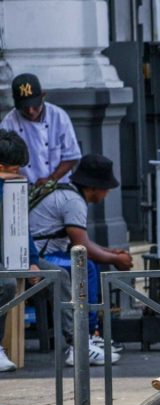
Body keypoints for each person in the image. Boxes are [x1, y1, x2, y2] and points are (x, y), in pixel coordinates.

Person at [30, 154, 129, 365]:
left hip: (49, 251)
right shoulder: (74, 201)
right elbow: (81, 247)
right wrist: (116, 259)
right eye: (105, 188)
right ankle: (85, 338)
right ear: (93, 187)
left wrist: (111, 252)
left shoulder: (69, 194)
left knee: (88, 264)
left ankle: (89, 334)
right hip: (41, 256)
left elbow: (84, 242)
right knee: (86, 268)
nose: (107, 193)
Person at [0, 129, 80, 371]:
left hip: (15, 254)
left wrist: (31, 260)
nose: (19, 174)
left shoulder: (15, 188)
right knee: (7, 284)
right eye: (13, 169)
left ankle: (75, 344)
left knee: (60, 276)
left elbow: (21, 228)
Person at [0, 73, 81, 189]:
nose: (30, 111)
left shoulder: (59, 117)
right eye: (24, 107)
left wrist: (51, 179)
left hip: (58, 186)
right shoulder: (8, 123)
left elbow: (72, 156)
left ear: (43, 96)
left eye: (34, 105)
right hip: (25, 188)